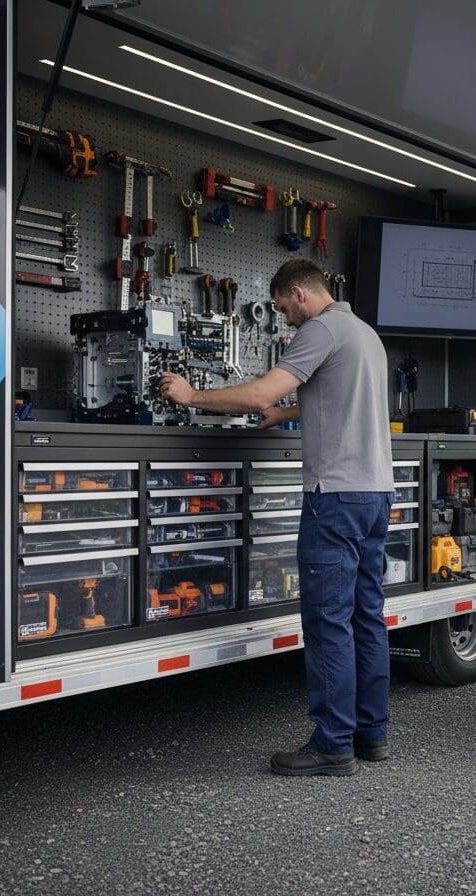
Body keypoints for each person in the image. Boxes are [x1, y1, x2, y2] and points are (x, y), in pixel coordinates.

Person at [159, 258, 395, 777]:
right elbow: (342, 403)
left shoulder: (321, 329)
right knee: (365, 617)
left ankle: (333, 745)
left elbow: (263, 388)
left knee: (328, 622)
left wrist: (192, 395)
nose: (286, 319)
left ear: (299, 293)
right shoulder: (364, 334)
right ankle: (370, 734)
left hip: (334, 497)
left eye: (286, 308)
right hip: (375, 493)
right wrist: (288, 415)